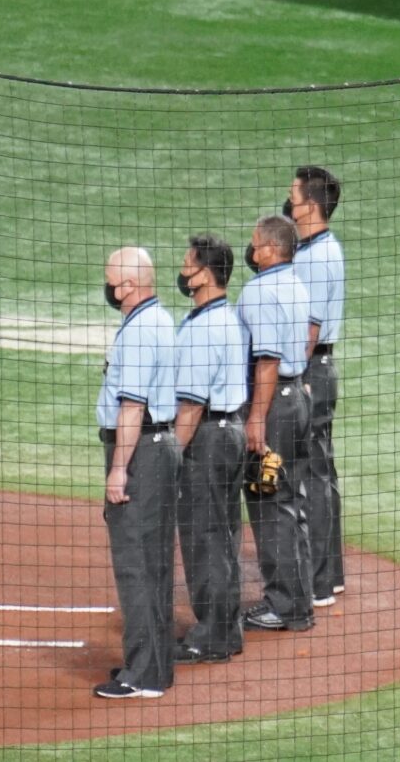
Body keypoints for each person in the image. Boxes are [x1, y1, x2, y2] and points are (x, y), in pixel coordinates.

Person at [94, 245, 178, 700]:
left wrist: (118, 470)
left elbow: (132, 407)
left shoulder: (141, 330)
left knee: (136, 564)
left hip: (140, 452)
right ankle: (155, 664)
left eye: (111, 281)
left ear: (128, 286)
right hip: (156, 448)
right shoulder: (158, 319)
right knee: (154, 561)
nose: (108, 288)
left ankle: (143, 674)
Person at [170, 234, 249, 666]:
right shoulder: (221, 317)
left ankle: (213, 636)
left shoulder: (204, 328)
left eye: (188, 265)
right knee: (222, 535)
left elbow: (191, 405)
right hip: (228, 432)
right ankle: (226, 629)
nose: (183, 272)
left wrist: (170, 458)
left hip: (208, 438)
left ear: (204, 274)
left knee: (205, 538)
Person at [238, 211, 313, 634]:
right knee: (290, 501)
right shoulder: (296, 284)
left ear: (269, 248)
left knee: (269, 503)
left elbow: (267, 360)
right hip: (295, 399)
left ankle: (284, 606)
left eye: (255, 242)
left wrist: (256, 418)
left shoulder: (261, 290)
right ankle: (298, 600)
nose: (251, 249)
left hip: (274, 409)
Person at [284, 166, 345, 611]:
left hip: (312, 369)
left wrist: (295, 378)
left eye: (293, 195)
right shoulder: (315, 248)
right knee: (320, 471)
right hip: (317, 367)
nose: (288, 201)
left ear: (310, 205)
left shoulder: (318, 257)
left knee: (312, 474)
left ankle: (319, 581)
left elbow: (309, 329)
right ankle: (329, 575)